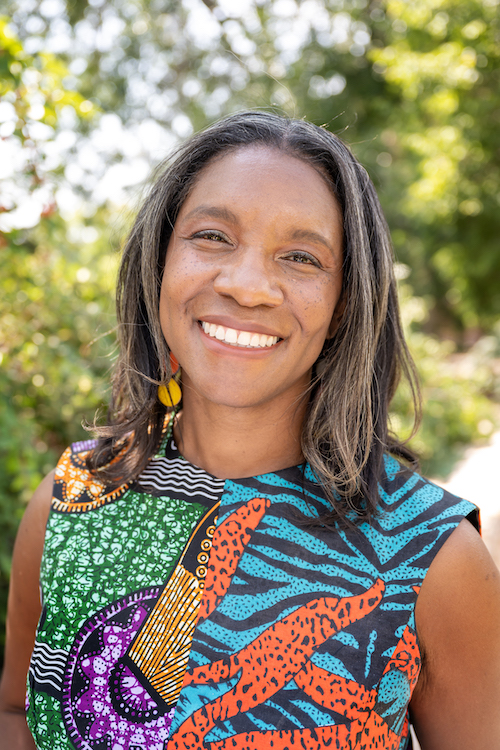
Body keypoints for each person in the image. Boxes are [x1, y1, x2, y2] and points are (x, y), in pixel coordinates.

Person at [1, 112, 499, 750]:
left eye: (300, 256)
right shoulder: (69, 502)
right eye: (212, 235)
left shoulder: (434, 558)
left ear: (346, 299)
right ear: (159, 262)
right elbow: (18, 711)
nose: (247, 286)